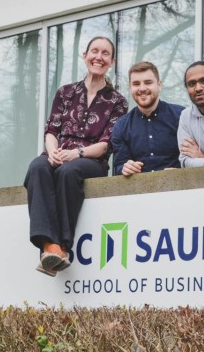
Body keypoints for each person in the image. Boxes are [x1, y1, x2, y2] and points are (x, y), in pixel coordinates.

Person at [25, 36, 127, 277]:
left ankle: (62, 244)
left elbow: (106, 145)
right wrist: (52, 151)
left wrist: (76, 153)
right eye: (94, 51)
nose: (98, 57)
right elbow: (51, 130)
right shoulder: (66, 92)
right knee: (37, 167)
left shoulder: (118, 101)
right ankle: (49, 246)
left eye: (105, 54)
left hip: (90, 160)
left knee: (68, 171)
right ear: (85, 55)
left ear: (111, 61)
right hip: (58, 153)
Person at [111, 61, 184, 176]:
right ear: (130, 88)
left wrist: (181, 170)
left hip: (180, 188)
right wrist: (124, 168)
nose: (142, 88)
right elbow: (119, 165)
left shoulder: (181, 116)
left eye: (148, 82)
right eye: (136, 84)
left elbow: (192, 158)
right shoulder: (121, 125)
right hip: (139, 191)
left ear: (159, 85)